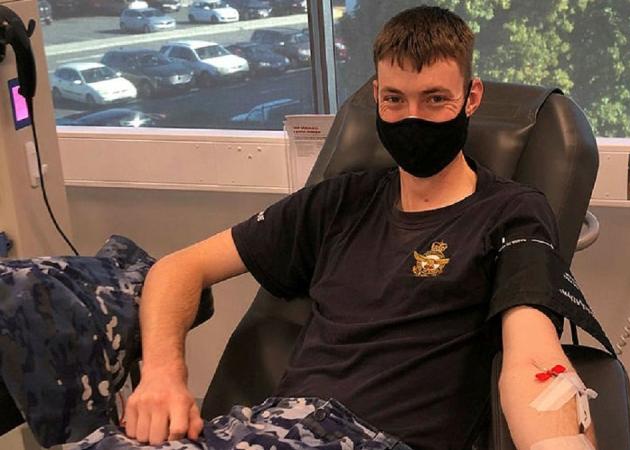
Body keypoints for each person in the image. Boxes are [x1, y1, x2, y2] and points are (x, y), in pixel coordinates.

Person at [117, 6, 599, 450]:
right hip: (270, 427)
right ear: (376, 98)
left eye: (435, 99)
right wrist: (162, 374)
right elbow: (180, 268)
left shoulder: (509, 212)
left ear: (470, 98)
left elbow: (535, 356)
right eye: (395, 99)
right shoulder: (338, 202)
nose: (412, 118)